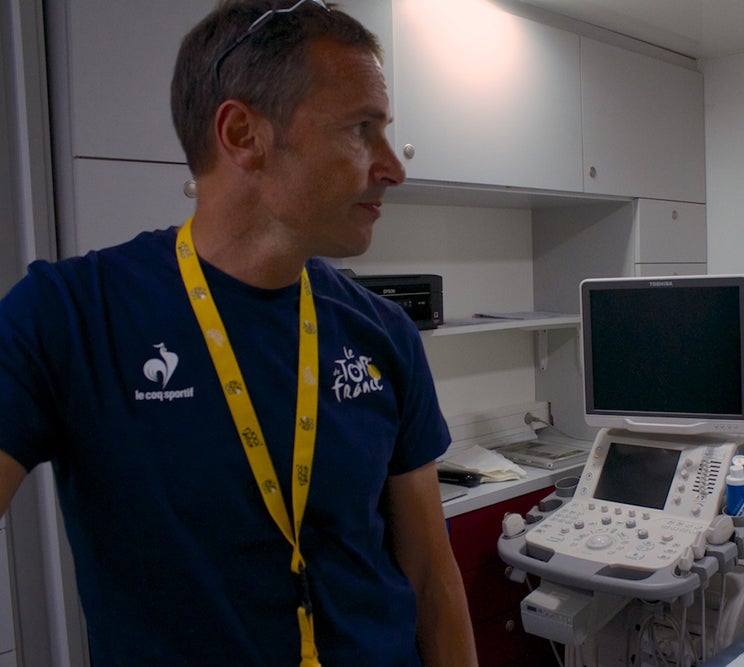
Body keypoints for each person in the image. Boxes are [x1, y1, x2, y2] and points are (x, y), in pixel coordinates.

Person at [0, 0, 478, 664]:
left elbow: (432, 579)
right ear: (244, 134)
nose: (393, 165)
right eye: (360, 129)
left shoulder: (383, 333)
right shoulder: (68, 317)